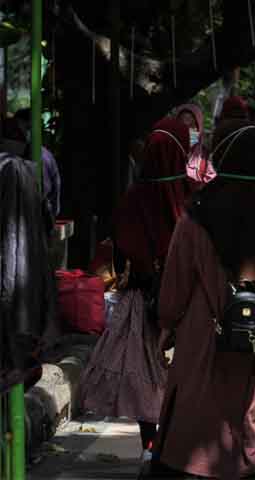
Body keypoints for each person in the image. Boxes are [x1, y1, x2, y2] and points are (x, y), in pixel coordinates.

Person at [150, 119, 255, 478]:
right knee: (250, 409)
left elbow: (176, 280)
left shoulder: (197, 211)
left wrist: (167, 324)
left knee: (201, 405)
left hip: (203, 330)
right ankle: (244, 463)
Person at [80, 118, 193, 458]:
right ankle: (180, 439)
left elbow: (122, 245)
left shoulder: (133, 198)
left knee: (148, 370)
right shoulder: (192, 196)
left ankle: (149, 441)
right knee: (183, 371)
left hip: (144, 300)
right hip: (188, 301)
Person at [5, 111, 61, 217]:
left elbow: (55, 190)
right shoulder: (11, 156)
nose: (21, 133)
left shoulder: (44, 157)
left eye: (27, 128)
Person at [175, 103, 216, 185]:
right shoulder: (168, 152)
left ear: (199, 127)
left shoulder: (205, 155)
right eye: (183, 127)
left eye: (192, 127)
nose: (188, 132)